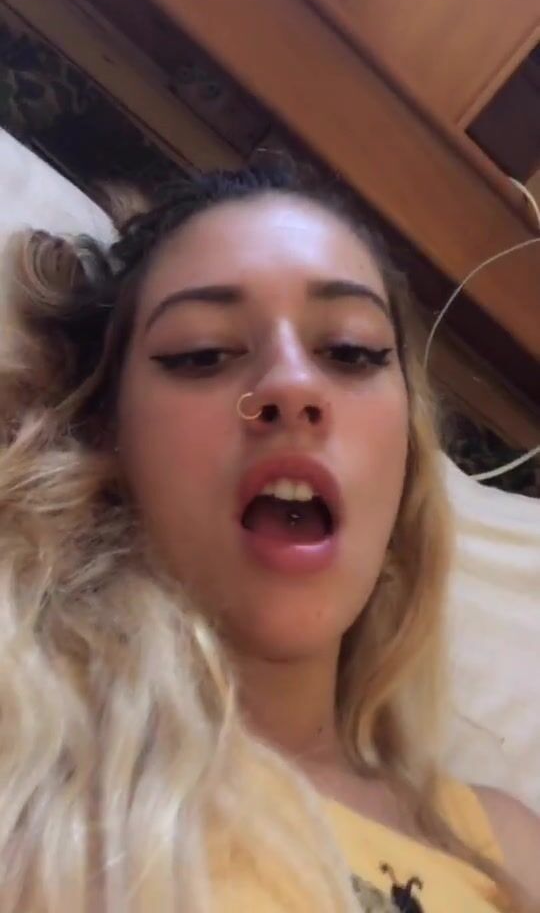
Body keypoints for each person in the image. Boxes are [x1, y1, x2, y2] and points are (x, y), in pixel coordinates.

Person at [0, 166, 538, 913]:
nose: (291, 385)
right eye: (201, 353)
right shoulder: (26, 752)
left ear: (406, 467)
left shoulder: (504, 845)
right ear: (108, 439)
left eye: (350, 351)